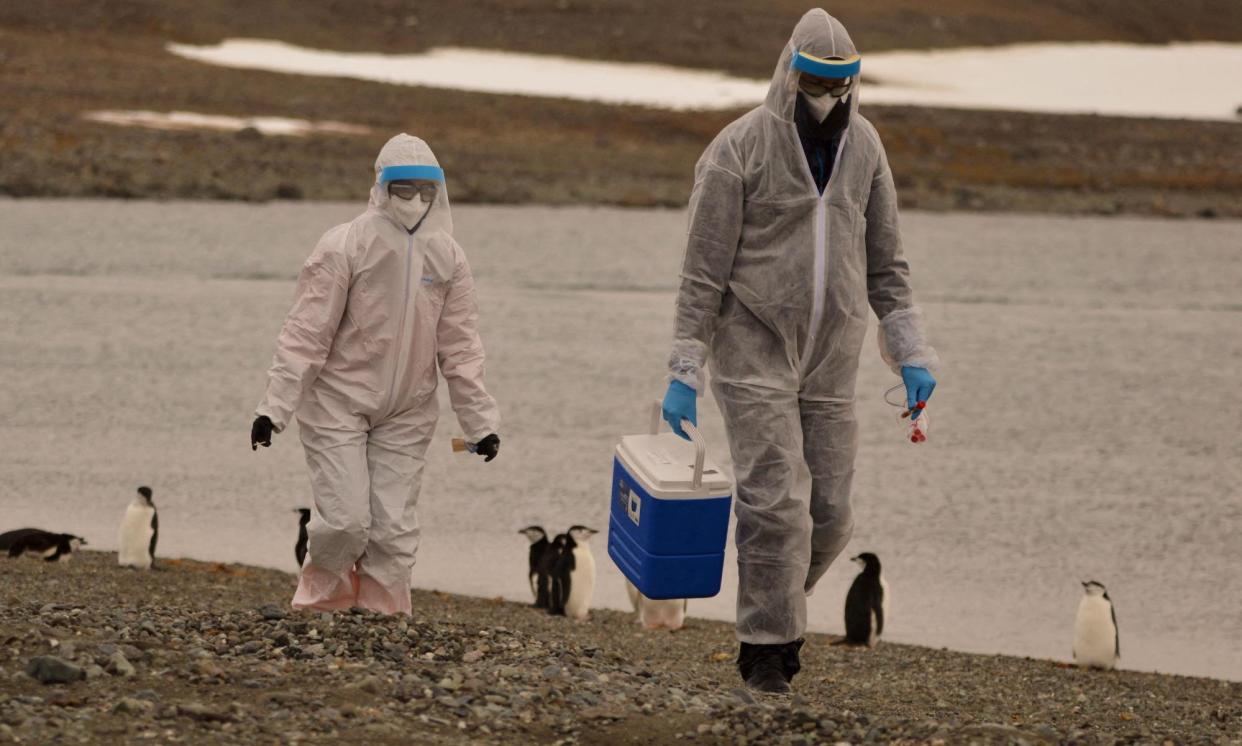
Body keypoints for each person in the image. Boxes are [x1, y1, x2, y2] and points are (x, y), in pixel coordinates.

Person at [662, 9, 939, 693]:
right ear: (790, 74)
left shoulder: (866, 149)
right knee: (774, 500)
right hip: (753, 346)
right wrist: (684, 371)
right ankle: (766, 649)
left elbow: (888, 266)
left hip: (831, 360)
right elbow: (701, 270)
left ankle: (778, 610)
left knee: (831, 514)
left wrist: (910, 351)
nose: (829, 97)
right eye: (816, 81)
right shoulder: (739, 148)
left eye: (842, 85)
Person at [251, 133, 501, 615]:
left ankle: (383, 614)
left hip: (408, 408)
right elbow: (305, 332)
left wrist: (480, 424)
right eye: (404, 188)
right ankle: (322, 606)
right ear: (382, 187)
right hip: (337, 402)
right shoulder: (344, 245)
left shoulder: (447, 256)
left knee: (393, 528)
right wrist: (273, 408)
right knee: (344, 521)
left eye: (426, 191)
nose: (415, 200)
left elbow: (462, 346)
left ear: (439, 192)